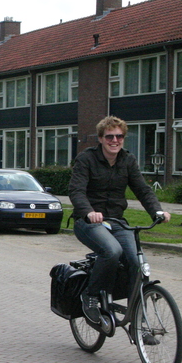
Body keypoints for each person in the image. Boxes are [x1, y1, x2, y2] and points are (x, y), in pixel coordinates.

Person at [68, 116, 171, 324]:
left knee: (137, 262)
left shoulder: (128, 160)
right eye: (109, 137)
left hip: (117, 221)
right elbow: (76, 191)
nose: (114, 140)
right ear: (100, 138)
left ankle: (137, 318)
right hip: (88, 222)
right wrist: (88, 211)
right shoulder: (86, 159)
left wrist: (157, 212)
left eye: (119, 136)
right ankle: (90, 296)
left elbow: (142, 190)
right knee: (112, 251)